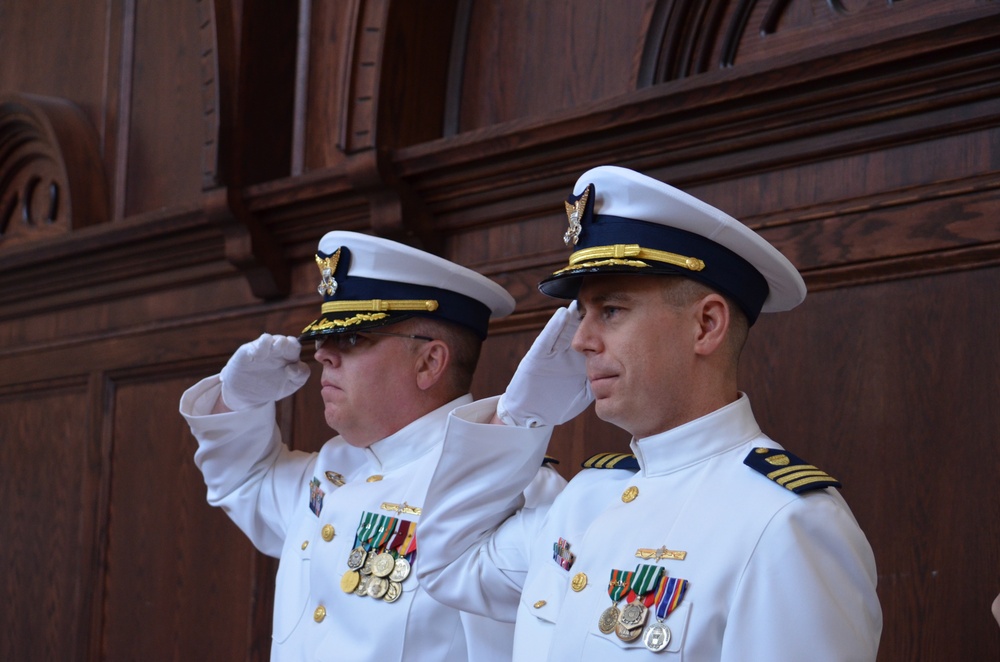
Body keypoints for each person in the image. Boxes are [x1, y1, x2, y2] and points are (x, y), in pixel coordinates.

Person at [416, 165, 883, 660]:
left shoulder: (786, 524)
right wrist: (519, 418)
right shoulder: (587, 499)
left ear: (706, 325)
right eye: (582, 314)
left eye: (611, 311)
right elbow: (447, 563)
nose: (579, 340)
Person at [179, 231, 565, 661]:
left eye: (350, 338)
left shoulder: (515, 488)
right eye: (323, 340)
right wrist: (237, 401)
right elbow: (244, 482)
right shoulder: (333, 470)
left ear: (429, 362)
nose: (323, 354)